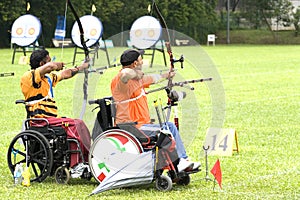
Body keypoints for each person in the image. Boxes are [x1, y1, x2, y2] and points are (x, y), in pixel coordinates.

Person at [111, 49, 200, 172]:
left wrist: (167, 75)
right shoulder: (120, 82)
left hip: (142, 125)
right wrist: (136, 74)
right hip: (132, 128)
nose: (143, 63)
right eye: (141, 61)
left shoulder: (138, 80)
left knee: (167, 127)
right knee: (169, 127)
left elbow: (154, 78)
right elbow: (125, 73)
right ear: (135, 64)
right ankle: (181, 161)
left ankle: (179, 163)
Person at [20, 49, 90, 167]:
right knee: (76, 124)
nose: (52, 62)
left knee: (79, 123)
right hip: (40, 121)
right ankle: (76, 164)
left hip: (50, 120)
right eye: (49, 60)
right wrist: (55, 65)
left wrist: (81, 67)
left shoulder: (47, 78)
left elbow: (65, 74)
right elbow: (51, 66)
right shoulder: (29, 77)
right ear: (42, 64)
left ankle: (88, 159)